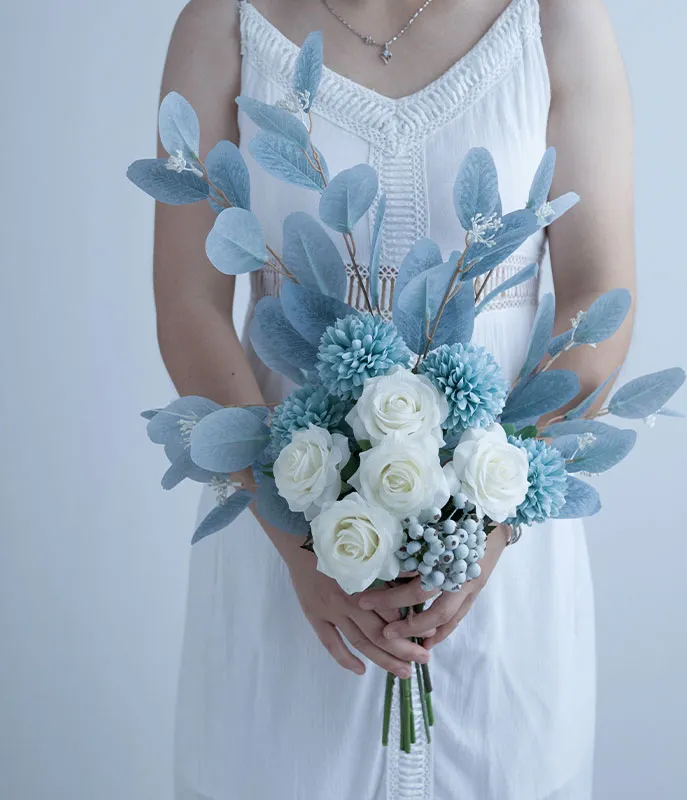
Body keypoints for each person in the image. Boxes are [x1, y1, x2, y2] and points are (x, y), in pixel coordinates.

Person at [154, 1, 635, 797]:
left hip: (500, 564)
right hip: (283, 549)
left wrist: (492, 523)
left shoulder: (557, 19)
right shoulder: (223, 22)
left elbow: (599, 291)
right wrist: (299, 537)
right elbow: (188, 303)